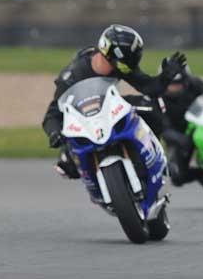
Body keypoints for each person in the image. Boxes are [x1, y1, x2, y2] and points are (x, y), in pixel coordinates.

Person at [41, 24, 186, 179]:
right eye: (126, 64)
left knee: (151, 107)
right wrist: (55, 133)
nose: (129, 69)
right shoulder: (71, 76)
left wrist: (165, 77)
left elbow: (148, 87)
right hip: (84, 121)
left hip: (109, 108)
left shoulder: (119, 65)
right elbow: (52, 114)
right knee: (67, 163)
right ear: (110, 56)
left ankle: (153, 157)